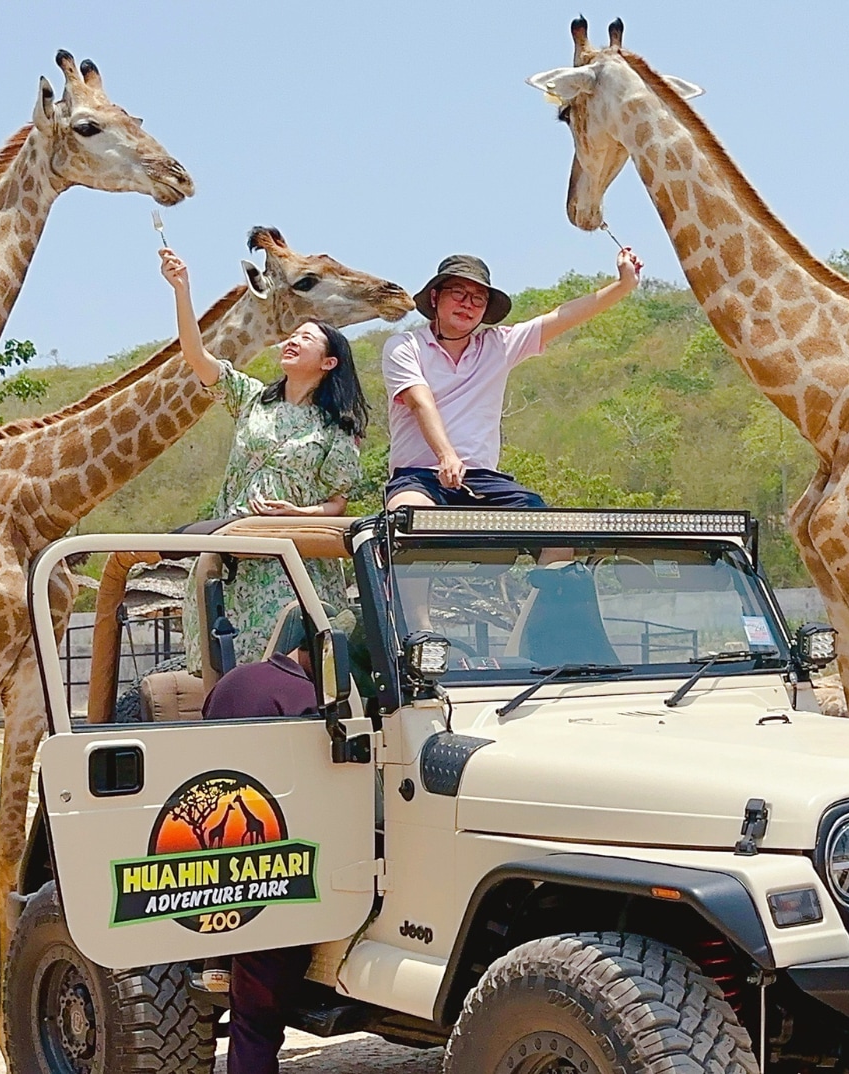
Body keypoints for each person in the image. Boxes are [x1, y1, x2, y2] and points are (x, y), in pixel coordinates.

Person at [159, 246, 365, 667]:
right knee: (222, 660)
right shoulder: (251, 398)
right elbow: (197, 357)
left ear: (328, 362)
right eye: (293, 335)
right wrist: (182, 290)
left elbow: (337, 505)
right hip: (233, 553)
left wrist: (297, 513)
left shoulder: (336, 429)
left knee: (288, 662)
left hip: (292, 560)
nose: (293, 341)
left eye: (305, 339)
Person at [382, 246, 643, 508]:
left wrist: (623, 284)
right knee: (409, 517)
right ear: (436, 296)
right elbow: (419, 402)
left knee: (557, 537)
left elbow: (562, 316)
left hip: (483, 480)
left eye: (478, 299)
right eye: (459, 293)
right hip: (419, 477)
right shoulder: (405, 346)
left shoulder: (499, 346)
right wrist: (447, 457)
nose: (467, 304)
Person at [201, 606, 319, 1074]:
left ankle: (214, 969)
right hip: (273, 857)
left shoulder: (231, 683)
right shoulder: (306, 697)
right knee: (258, 1014)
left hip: (213, 851)